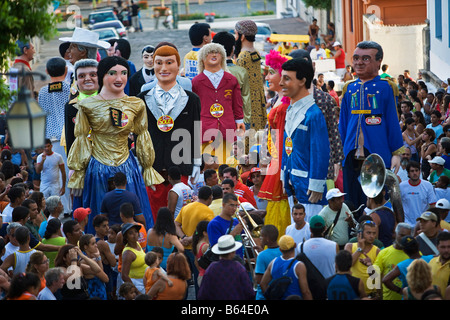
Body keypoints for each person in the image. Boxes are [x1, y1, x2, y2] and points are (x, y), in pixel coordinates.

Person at [67, 56, 162, 235]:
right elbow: (81, 138)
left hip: (128, 168)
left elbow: (142, 135)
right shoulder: (87, 105)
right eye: (113, 73)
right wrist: (78, 172)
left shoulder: (136, 103)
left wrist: (148, 168)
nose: (119, 79)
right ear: (102, 75)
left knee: (132, 217)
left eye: (123, 73)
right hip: (98, 169)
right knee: (101, 219)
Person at [137, 43, 201, 220]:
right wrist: (141, 162)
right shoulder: (142, 99)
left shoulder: (191, 99)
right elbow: (139, 133)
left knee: (182, 215)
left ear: (178, 65)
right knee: (155, 214)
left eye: (169, 62)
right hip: (153, 167)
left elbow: (196, 130)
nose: (163, 68)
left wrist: (196, 162)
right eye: (159, 63)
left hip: (181, 164)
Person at [339, 41, 404, 211]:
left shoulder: (387, 87)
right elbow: (343, 124)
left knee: (377, 198)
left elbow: (392, 121)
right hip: (351, 154)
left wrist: (396, 152)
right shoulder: (349, 88)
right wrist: (339, 154)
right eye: (356, 58)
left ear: (378, 62)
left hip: (377, 153)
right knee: (352, 198)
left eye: (366, 58)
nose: (359, 62)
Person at [280, 58, 330, 219]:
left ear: (302, 81)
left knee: (310, 230)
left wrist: (317, 183)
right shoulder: (290, 109)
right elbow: (286, 145)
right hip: (292, 182)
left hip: (308, 185)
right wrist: (283, 173)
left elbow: (320, 152)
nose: (281, 83)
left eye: (287, 78)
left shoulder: (314, 114)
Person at [192, 42, 245, 165]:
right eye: (209, 52)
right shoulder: (196, 82)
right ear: (203, 58)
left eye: (217, 52)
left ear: (222, 56)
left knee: (228, 164)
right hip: (205, 129)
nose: (214, 54)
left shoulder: (231, 79)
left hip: (228, 128)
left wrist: (239, 126)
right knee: (206, 165)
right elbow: (194, 108)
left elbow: (237, 105)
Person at [175, 186, 214, 295]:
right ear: (210, 198)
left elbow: (176, 224)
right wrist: (189, 238)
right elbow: (208, 231)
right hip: (197, 250)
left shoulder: (186, 207)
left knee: (183, 280)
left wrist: (183, 237)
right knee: (199, 279)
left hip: (182, 249)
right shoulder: (208, 211)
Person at [212, 31, 252, 128]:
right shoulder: (241, 72)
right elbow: (246, 98)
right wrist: (246, 122)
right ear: (233, 49)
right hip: (236, 121)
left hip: (213, 121)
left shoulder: (208, 72)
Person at [198, 234, 255, 300]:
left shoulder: (212, 268)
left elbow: (202, 294)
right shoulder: (239, 268)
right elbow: (249, 292)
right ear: (233, 251)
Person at [58, 27, 110, 99]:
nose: (68, 50)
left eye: (72, 47)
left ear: (82, 52)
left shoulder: (100, 76)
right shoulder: (74, 74)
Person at [234, 20, 267, 131]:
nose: (235, 37)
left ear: (242, 36)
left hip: (248, 105)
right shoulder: (255, 52)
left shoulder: (242, 57)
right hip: (258, 101)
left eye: (236, 34)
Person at [64, 58, 99, 157]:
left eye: (93, 75)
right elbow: (69, 137)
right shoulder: (70, 106)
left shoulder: (109, 101)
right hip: (82, 158)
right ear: (76, 80)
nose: (87, 79)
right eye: (82, 76)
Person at [260, 235, 313, 300]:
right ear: (295, 245)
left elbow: (263, 284)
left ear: (280, 249)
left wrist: (271, 297)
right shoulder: (299, 266)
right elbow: (305, 292)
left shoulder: (273, 263)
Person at [373, 222, 413, 300]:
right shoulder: (384, 253)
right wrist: (378, 294)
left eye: (406, 236)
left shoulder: (414, 254)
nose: (403, 239)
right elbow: (375, 275)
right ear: (395, 234)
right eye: (401, 235)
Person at [344, 220, 380, 297]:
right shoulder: (349, 246)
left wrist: (370, 266)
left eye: (374, 233)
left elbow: (378, 277)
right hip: (352, 293)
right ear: (360, 233)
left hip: (370, 294)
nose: (372, 236)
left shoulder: (377, 251)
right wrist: (359, 249)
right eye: (368, 233)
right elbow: (347, 265)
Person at [300, 215, 339, 279]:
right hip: (328, 286)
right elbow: (337, 268)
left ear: (310, 229)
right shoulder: (334, 246)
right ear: (325, 228)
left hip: (310, 286)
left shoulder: (301, 246)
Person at [400, 161, 437, 227]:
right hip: (406, 224)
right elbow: (397, 206)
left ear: (420, 172)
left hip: (423, 224)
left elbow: (433, 205)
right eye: (412, 171)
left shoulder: (428, 185)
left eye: (416, 170)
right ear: (408, 173)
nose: (415, 173)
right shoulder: (401, 186)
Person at [254, 224, 282, 300]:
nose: (260, 238)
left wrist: (258, 258)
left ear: (267, 239)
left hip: (263, 297)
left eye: (261, 236)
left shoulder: (262, 256)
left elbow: (258, 279)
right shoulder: (283, 252)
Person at [78, 233, 109, 300]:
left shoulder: (94, 259)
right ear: (85, 247)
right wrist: (99, 258)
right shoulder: (84, 262)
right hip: (93, 293)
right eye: (93, 244)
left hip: (100, 291)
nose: (96, 245)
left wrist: (98, 257)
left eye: (95, 243)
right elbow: (105, 278)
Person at [120, 223, 148, 294]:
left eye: (136, 231)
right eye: (131, 233)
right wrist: (136, 291)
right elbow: (124, 276)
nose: (135, 234)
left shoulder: (137, 243)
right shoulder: (128, 253)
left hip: (144, 281)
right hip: (137, 284)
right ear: (126, 237)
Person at [192, 220, 209, 287]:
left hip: (201, 275)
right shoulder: (205, 246)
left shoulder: (198, 244)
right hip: (206, 277)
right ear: (205, 233)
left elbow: (196, 262)